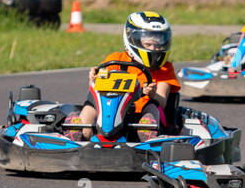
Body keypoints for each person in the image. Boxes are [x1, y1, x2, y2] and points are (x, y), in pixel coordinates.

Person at [66, 12, 180, 140]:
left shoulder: (165, 68)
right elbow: (98, 91)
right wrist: (93, 80)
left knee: (152, 106)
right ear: (132, 39)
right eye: (148, 44)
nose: (154, 48)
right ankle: (80, 129)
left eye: (158, 44)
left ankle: (147, 134)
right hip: (113, 112)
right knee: (91, 105)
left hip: (142, 116)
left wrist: (153, 94)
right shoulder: (115, 60)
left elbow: (163, 101)